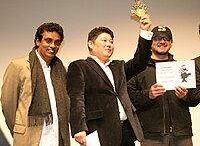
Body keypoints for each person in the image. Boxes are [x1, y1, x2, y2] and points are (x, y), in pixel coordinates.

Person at [66, 15, 153, 146]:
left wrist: (145, 32)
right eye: (104, 40)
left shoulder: (118, 66)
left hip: (126, 131)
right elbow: (76, 99)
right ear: (91, 44)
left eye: (111, 41)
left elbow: (140, 63)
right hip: (100, 131)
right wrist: (79, 128)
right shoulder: (80, 66)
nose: (109, 44)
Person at [127, 25, 200, 146]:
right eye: (157, 38)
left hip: (182, 135)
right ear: (151, 42)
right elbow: (129, 98)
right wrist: (148, 94)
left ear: (171, 43)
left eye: (166, 38)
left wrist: (185, 97)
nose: (162, 41)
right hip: (151, 136)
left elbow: (194, 99)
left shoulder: (182, 68)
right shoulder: (138, 69)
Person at [1, 22, 70, 146]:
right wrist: (19, 130)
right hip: (30, 138)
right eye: (48, 41)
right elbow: (8, 105)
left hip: (56, 136)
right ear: (38, 41)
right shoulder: (18, 66)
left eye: (57, 42)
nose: (52, 46)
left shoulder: (61, 69)